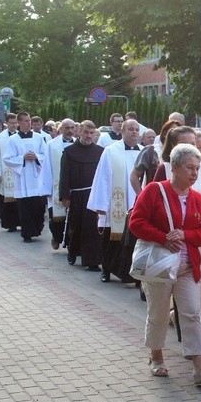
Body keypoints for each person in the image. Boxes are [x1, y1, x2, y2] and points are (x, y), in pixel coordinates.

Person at [129, 143, 201, 386]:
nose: (194, 173)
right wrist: (163, 237)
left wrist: (185, 236)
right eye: (190, 168)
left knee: (191, 314)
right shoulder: (153, 191)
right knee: (158, 314)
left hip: (187, 267)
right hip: (159, 267)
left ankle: (199, 368)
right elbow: (136, 223)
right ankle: (156, 357)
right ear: (175, 167)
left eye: (197, 169)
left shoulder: (198, 199)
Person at [153, 127, 201, 336]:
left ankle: (200, 319)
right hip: (170, 236)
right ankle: (174, 315)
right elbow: (153, 200)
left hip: (198, 232)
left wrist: (197, 214)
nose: (190, 148)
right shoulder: (164, 168)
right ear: (172, 147)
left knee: (200, 276)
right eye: (184, 144)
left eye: (193, 143)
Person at [87, 119, 142, 283]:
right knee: (112, 240)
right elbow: (102, 178)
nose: (134, 132)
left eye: (137, 130)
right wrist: (101, 205)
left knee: (133, 241)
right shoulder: (110, 151)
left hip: (136, 203)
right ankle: (107, 268)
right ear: (123, 131)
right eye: (130, 129)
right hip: (115, 204)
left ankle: (130, 273)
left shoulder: (144, 151)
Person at [59, 121, 105, 269]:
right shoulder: (69, 151)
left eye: (92, 133)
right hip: (77, 195)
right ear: (79, 132)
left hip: (94, 194)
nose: (89, 136)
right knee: (76, 226)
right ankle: (73, 251)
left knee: (92, 228)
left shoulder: (100, 151)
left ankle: (92, 261)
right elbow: (64, 175)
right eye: (86, 132)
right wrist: (65, 196)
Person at [4, 112, 48, 242]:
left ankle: (38, 228)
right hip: (22, 177)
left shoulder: (38, 137)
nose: (28, 123)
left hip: (36, 177)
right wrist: (22, 158)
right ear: (19, 123)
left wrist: (37, 157)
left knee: (39, 207)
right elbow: (7, 159)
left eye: (29, 120)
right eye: (25, 121)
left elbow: (45, 155)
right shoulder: (13, 139)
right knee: (25, 208)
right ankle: (27, 233)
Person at [42, 118, 76, 250]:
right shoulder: (52, 145)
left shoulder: (78, 144)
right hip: (56, 185)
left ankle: (69, 242)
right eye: (66, 128)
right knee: (56, 217)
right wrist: (47, 188)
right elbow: (47, 166)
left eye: (72, 128)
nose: (70, 130)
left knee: (72, 217)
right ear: (60, 129)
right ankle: (56, 237)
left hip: (73, 186)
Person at [131, 119, 182, 194]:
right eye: (173, 131)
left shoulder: (182, 154)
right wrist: (141, 195)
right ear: (164, 133)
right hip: (152, 197)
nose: (175, 135)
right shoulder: (151, 151)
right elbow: (134, 175)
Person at [0, 113, 21, 232]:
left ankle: (20, 222)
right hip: (5, 172)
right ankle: (10, 224)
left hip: (19, 171)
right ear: (6, 123)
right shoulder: (0, 137)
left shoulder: (21, 136)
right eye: (11, 123)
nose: (14, 125)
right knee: (8, 200)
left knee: (20, 198)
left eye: (15, 123)